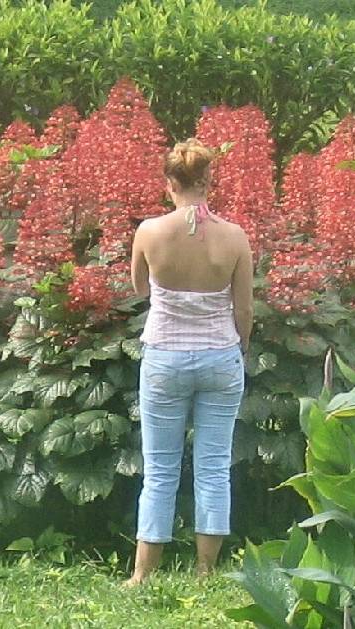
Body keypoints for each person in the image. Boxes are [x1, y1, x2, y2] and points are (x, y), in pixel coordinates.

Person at [125, 138, 254, 585]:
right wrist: (240, 348)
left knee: (159, 469)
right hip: (220, 356)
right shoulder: (234, 237)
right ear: (208, 181)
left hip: (164, 357)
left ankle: (142, 575)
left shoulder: (149, 231)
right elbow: (244, 310)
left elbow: (141, 287)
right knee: (213, 466)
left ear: (169, 183)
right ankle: (205, 571)